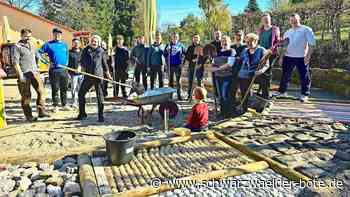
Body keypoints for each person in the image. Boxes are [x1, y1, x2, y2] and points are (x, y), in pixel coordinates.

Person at [274, 13, 316, 102]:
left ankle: (305, 94)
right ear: (290, 21)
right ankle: (282, 92)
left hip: (302, 57)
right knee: (285, 75)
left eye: (295, 19)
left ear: (299, 19)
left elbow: (312, 44)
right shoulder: (287, 32)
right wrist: (281, 57)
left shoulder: (306, 29)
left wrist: (308, 56)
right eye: (292, 20)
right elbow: (284, 46)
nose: (293, 21)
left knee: (304, 76)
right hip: (288, 56)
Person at [13, 28, 50, 122]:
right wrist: (20, 75)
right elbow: (15, 63)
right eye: (26, 36)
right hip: (24, 74)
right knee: (26, 96)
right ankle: (28, 116)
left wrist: (43, 66)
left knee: (41, 92)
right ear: (21, 36)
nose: (28, 38)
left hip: (35, 73)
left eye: (29, 36)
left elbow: (38, 56)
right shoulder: (17, 47)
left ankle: (41, 112)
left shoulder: (32, 44)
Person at [77, 35, 112, 122]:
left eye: (95, 41)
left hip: (98, 76)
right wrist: (80, 68)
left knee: (100, 97)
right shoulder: (86, 50)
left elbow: (105, 64)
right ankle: (82, 114)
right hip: (88, 76)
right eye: (92, 41)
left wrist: (108, 75)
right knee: (81, 94)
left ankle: (101, 116)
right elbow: (81, 61)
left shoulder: (101, 51)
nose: (94, 42)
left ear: (98, 43)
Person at [238, 33, 270, 112]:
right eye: (247, 42)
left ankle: (264, 103)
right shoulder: (245, 51)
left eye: (250, 42)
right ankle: (244, 106)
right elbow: (240, 60)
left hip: (257, 73)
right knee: (243, 84)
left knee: (265, 81)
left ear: (255, 41)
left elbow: (266, 64)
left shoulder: (261, 50)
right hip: (245, 73)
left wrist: (260, 71)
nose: (248, 44)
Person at [39, 28, 69, 112]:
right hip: (54, 70)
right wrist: (46, 62)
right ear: (53, 34)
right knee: (55, 88)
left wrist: (66, 63)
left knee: (64, 88)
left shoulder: (64, 45)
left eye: (59, 34)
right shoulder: (48, 44)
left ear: (61, 35)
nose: (57, 36)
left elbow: (67, 55)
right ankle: (55, 105)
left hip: (64, 70)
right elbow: (38, 53)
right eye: (55, 34)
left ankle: (64, 104)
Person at [210, 35, 236, 118]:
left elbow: (230, 64)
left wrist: (218, 69)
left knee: (225, 95)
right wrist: (211, 66)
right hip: (218, 77)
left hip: (227, 76)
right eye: (223, 41)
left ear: (229, 42)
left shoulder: (231, 51)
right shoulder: (218, 52)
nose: (224, 43)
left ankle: (228, 113)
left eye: (226, 41)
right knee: (220, 95)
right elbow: (213, 62)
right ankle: (222, 112)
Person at [257, 13, 281, 100]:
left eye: (267, 19)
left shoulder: (275, 29)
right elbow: (258, 42)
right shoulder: (260, 30)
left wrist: (271, 49)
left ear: (270, 19)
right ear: (262, 21)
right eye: (264, 19)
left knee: (267, 72)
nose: (266, 20)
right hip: (262, 54)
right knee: (261, 72)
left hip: (271, 54)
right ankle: (261, 91)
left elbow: (278, 42)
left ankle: (265, 95)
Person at [164, 32, 186, 100]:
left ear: (178, 38)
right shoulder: (168, 45)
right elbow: (164, 54)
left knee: (178, 81)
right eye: (173, 37)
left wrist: (183, 62)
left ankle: (179, 95)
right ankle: (170, 96)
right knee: (170, 81)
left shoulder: (181, 45)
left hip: (178, 66)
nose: (175, 38)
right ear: (171, 38)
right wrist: (167, 51)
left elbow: (186, 54)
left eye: (176, 37)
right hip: (170, 66)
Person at [185, 34, 205, 100]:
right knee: (190, 81)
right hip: (192, 66)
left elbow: (205, 57)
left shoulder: (202, 47)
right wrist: (193, 60)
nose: (196, 39)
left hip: (199, 67)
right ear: (193, 39)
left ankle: (202, 97)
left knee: (200, 81)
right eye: (194, 38)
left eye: (197, 38)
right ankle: (189, 96)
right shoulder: (190, 47)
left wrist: (200, 62)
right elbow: (187, 57)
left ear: (199, 39)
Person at [231, 30, 247, 106]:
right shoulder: (231, 47)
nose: (238, 37)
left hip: (243, 72)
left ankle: (244, 106)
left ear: (243, 37)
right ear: (234, 37)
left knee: (244, 90)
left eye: (240, 35)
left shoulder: (246, 47)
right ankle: (233, 106)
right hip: (233, 72)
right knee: (233, 90)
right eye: (237, 35)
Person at [68, 38, 83, 108]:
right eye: (75, 43)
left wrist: (81, 67)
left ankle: (81, 101)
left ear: (79, 44)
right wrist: (68, 73)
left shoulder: (83, 52)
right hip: (73, 74)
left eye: (77, 43)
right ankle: (74, 102)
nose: (76, 44)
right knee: (73, 89)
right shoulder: (69, 52)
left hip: (82, 74)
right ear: (73, 44)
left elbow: (84, 62)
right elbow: (67, 63)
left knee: (81, 89)